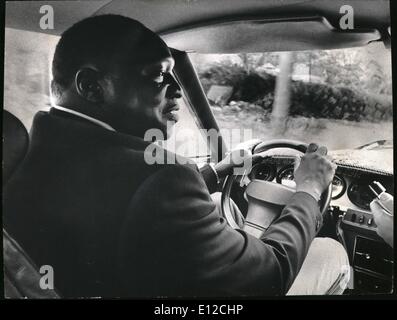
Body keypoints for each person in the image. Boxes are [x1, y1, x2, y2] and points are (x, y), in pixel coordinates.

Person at [3, 14, 348, 297]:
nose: (178, 89)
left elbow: (119, 196)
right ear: (92, 86)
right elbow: (269, 276)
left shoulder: (28, 151)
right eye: (158, 76)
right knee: (330, 252)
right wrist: (309, 190)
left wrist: (215, 171)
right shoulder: (162, 178)